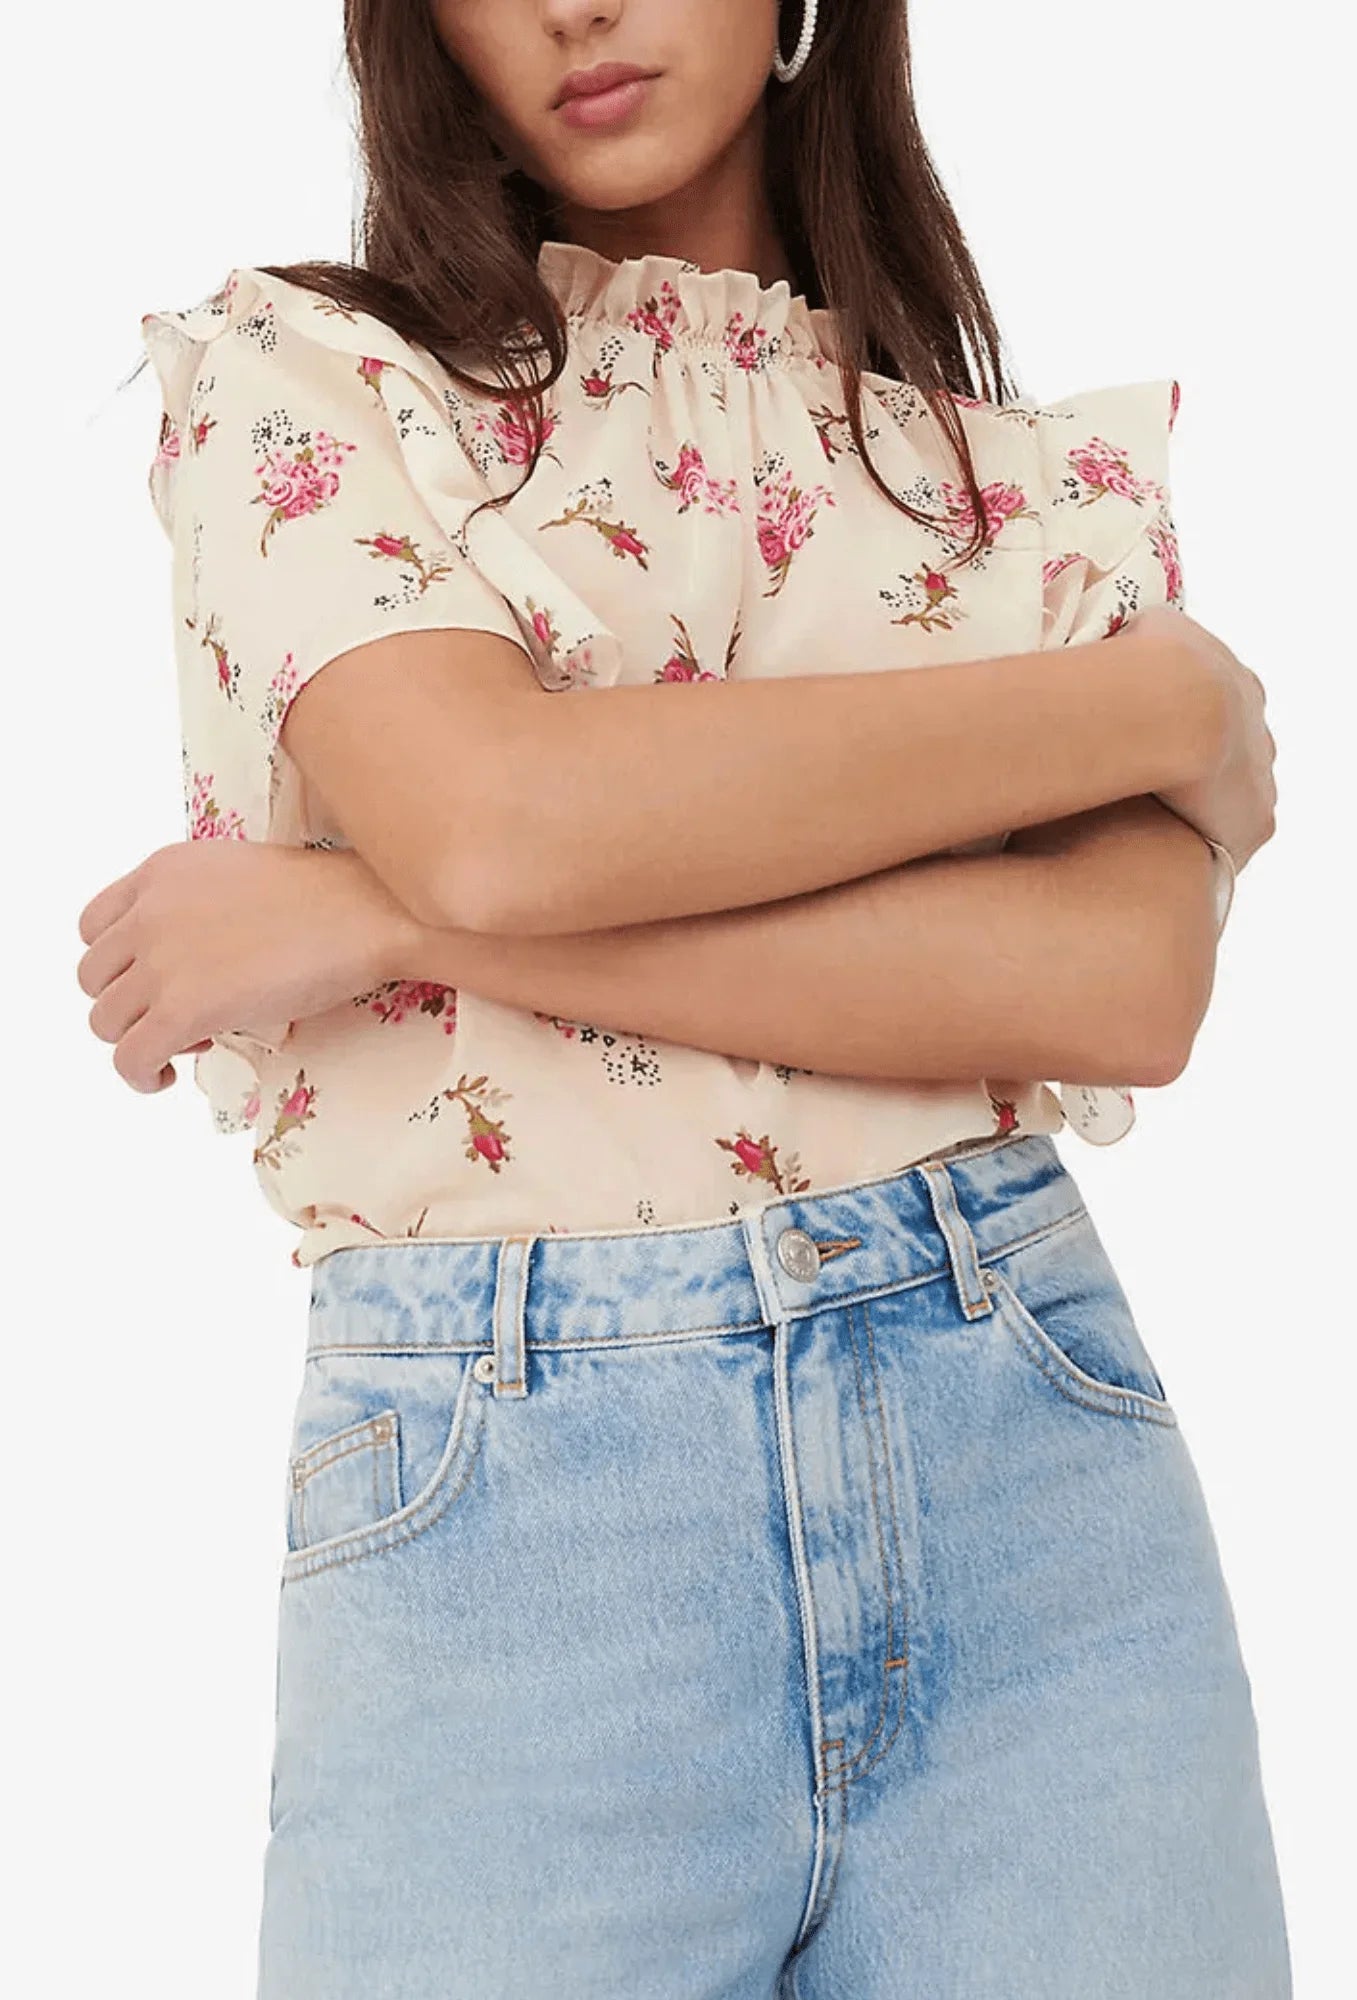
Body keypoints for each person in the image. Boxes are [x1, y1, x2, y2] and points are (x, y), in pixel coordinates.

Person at [78, 1, 1288, 1993]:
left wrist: (377, 925)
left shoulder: (1013, 484)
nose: (572, 6)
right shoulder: (315, 386)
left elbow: (1121, 983)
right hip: (512, 1510)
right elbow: (499, 825)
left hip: (1034, 1484)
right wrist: (1154, 705)